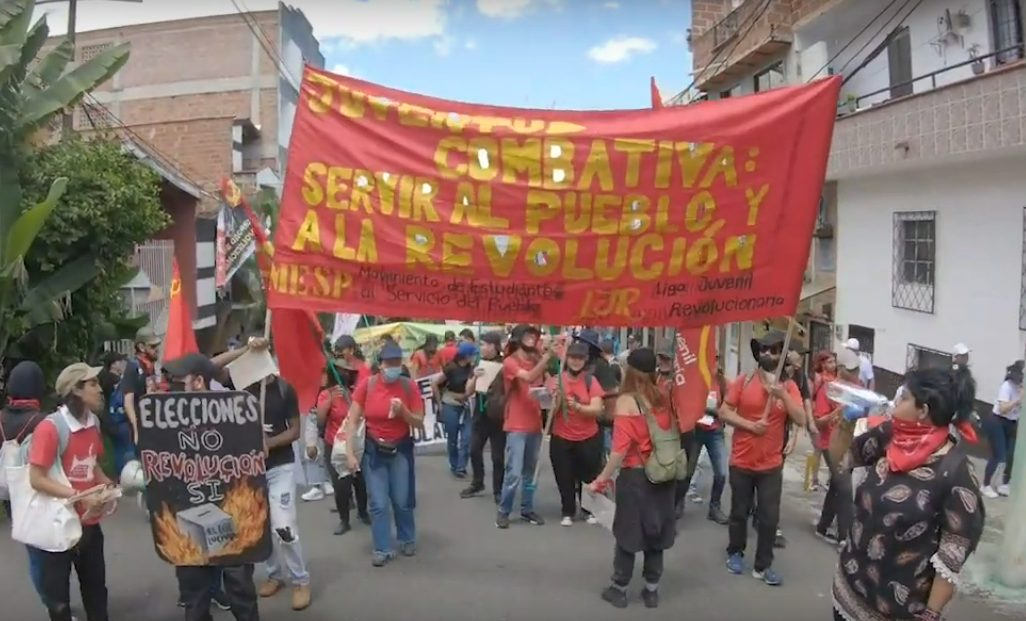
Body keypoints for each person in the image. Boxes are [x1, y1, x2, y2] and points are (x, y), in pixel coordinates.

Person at [832, 367, 985, 621]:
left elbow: (950, 559)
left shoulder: (956, 475)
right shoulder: (890, 434)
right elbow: (841, 457)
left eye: (903, 397)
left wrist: (931, 615)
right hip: (849, 591)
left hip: (898, 611)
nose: (895, 400)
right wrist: (846, 421)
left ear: (922, 411)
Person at [162, 354, 260, 621]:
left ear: (197, 382)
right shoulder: (165, 418)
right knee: (195, 596)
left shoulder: (235, 415)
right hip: (187, 515)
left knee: (240, 588)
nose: (173, 385)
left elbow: (250, 461)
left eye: (179, 379)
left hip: (231, 517)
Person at [588, 348, 677, 609]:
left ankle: (620, 588)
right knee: (656, 531)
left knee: (628, 533)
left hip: (636, 475)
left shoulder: (627, 402)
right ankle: (651, 590)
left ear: (629, 370)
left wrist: (600, 481)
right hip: (663, 473)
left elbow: (619, 451)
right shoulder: (664, 396)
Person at [28, 363, 115, 621]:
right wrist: (81, 495)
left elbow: (92, 465)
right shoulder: (51, 428)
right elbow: (36, 479)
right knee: (59, 601)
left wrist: (107, 486)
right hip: (57, 526)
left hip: (89, 524)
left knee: (96, 590)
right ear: (76, 390)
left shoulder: (93, 423)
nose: (100, 390)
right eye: (93, 384)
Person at [719, 330, 806, 586]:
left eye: (775, 350)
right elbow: (724, 411)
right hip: (742, 462)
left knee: (769, 518)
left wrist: (782, 397)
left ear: (782, 356)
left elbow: (801, 419)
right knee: (739, 512)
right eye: (765, 349)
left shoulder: (788, 387)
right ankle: (735, 552)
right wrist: (749, 425)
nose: (768, 354)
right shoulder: (744, 381)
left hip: (771, 465)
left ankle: (763, 565)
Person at [344, 342, 425, 567]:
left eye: (397, 362)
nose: (393, 367)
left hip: (400, 449)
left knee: (401, 499)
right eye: (389, 362)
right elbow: (352, 421)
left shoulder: (409, 387)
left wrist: (403, 412)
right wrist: (349, 453)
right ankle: (382, 548)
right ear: (380, 365)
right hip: (374, 451)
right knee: (378, 503)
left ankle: (407, 538)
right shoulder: (367, 386)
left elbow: (419, 422)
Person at [495, 325, 554, 529]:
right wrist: (545, 361)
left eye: (535, 336)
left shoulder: (538, 361)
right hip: (516, 424)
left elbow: (547, 383)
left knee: (531, 471)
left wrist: (551, 390)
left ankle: (527, 508)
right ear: (519, 339)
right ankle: (504, 510)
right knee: (514, 472)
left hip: (535, 424)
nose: (533, 340)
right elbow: (527, 378)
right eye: (529, 336)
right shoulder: (510, 362)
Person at [1, 361, 49, 609]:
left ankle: (47, 598)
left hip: (10, 493)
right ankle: (55, 602)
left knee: (32, 550)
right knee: (47, 549)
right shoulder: (43, 421)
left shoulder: (0, 419)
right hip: (39, 491)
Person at [548, 341, 604, 526]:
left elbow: (597, 409)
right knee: (564, 476)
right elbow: (550, 413)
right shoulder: (557, 380)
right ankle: (568, 511)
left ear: (585, 360)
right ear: (567, 359)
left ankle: (588, 510)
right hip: (561, 437)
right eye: (572, 357)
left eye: (580, 358)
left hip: (588, 437)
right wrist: (556, 400)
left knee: (588, 476)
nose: (576, 361)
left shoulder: (591, 381)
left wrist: (578, 407)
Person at [316, 359, 368, 535]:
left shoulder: (356, 392)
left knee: (361, 482)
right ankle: (344, 520)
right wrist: (330, 400)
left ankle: (363, 512)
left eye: (348, 372)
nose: (345, 374)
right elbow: (320, 420)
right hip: (334, 445)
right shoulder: (325, 394)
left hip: (356, 443)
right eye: (341, 371)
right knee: (341, 486)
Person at [813, 349, 861, 545]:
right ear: (841, 370)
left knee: (836, 485)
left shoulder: (859, 388)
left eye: (857, 369)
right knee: (844, 488)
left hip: (849, 443)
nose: (856, 373)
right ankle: (845, 538)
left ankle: (822, 527)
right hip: (829, 443)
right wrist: (839, 411)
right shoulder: (829, 389)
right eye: (852, 370)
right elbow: (819, 423)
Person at [461, 331, 507, 501]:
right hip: (480, 415)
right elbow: (468, 391)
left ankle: (498, 489)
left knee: (497, 456)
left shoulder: (504, 365)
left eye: (484, 344)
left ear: (493, 346)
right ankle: (477, 481)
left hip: (498, 415)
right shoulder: (478, 365)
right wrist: (475, 377)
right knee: (474, 449)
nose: (481, 347)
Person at [435, 342, 480, 478]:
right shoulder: (451, 368)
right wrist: (440, 404)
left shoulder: (472, 369)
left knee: (467, 437)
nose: (475, 357)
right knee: (453, 438)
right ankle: (454, 465)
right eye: (473, 355)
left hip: (465, 405)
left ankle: (461, 466)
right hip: (450, 404)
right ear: (466, 356)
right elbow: (435, 384)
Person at [695, 363, 729, 525]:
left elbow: (729, 407)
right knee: (686, 472)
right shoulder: (695, 380)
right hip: (695, 430)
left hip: (715, 431)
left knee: (722, 472)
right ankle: (677, 504)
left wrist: (716, 412)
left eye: (716, 360)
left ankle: (714, 507)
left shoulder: (723, 383)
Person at [983, 359, 1021, 498]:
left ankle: (1003, 483)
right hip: (997, 421)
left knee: (1010, 454)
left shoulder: (1020, 387)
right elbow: (1003, 408)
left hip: (1011, 422)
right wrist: (1019, 399)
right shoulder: (1007, 386)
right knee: (998, 455)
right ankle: (985, 484)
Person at [119, 327, 162, 447]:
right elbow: (128, 402)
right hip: (139, 424)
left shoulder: (149, 366)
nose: (156, 350)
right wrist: (136, 428)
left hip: (150, 421)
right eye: (152, 347)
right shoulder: (133, 367)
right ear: (142, 347)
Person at [808, 350, 838, 491]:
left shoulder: (834, 377)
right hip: (817, 417)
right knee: (817, 450)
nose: (833, 365)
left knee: (830, 450)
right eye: (830, 362)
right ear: (822, 363)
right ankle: (812, 479)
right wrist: (810, 419)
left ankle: (830, 479)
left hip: (830, 419)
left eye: (834, 361)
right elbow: (809, 398)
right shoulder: (818, 378)